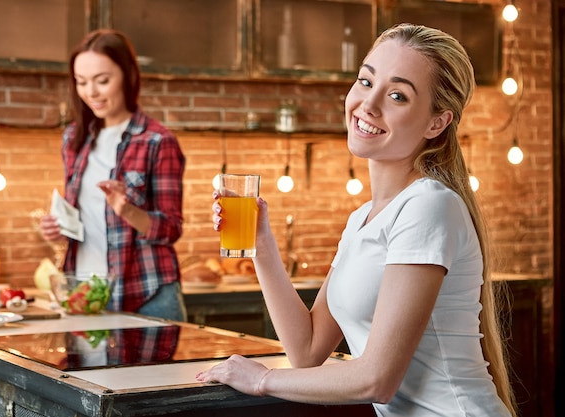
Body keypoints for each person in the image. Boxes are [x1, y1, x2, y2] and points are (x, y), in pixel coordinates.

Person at [198, 23, 517, 417]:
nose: (369, 104)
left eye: (397, 95)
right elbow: (307, 350)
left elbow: (376, 380)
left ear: (437, 123)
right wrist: (261, 244)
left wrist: (262, 379)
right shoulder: (363, 219)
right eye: (366, 81)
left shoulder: (429, 206)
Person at [40, 29, 187, 321]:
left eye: (102, 81)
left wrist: (128, 210)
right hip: (85, 294)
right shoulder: (74, 138)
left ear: (128, 75)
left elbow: (171, 228)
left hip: (146, 294)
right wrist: (60, 228)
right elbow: (86, 220)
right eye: (81, 82)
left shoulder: (157, 141)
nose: (91, 93)